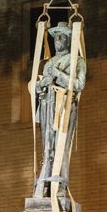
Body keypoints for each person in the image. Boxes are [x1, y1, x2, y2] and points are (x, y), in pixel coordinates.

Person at [33, 21, 86, 199]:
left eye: (62, 37)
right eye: (55, 37)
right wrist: (41, 85)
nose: (57, 40)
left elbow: (79, 84)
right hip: (48, 105)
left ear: (69, 40)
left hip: (64, 107)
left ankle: (60, 184)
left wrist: (58, 75)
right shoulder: (49, 63)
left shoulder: (77, 61)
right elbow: (38, 87)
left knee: (62, 147)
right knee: (47, 147)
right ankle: (44, 184)